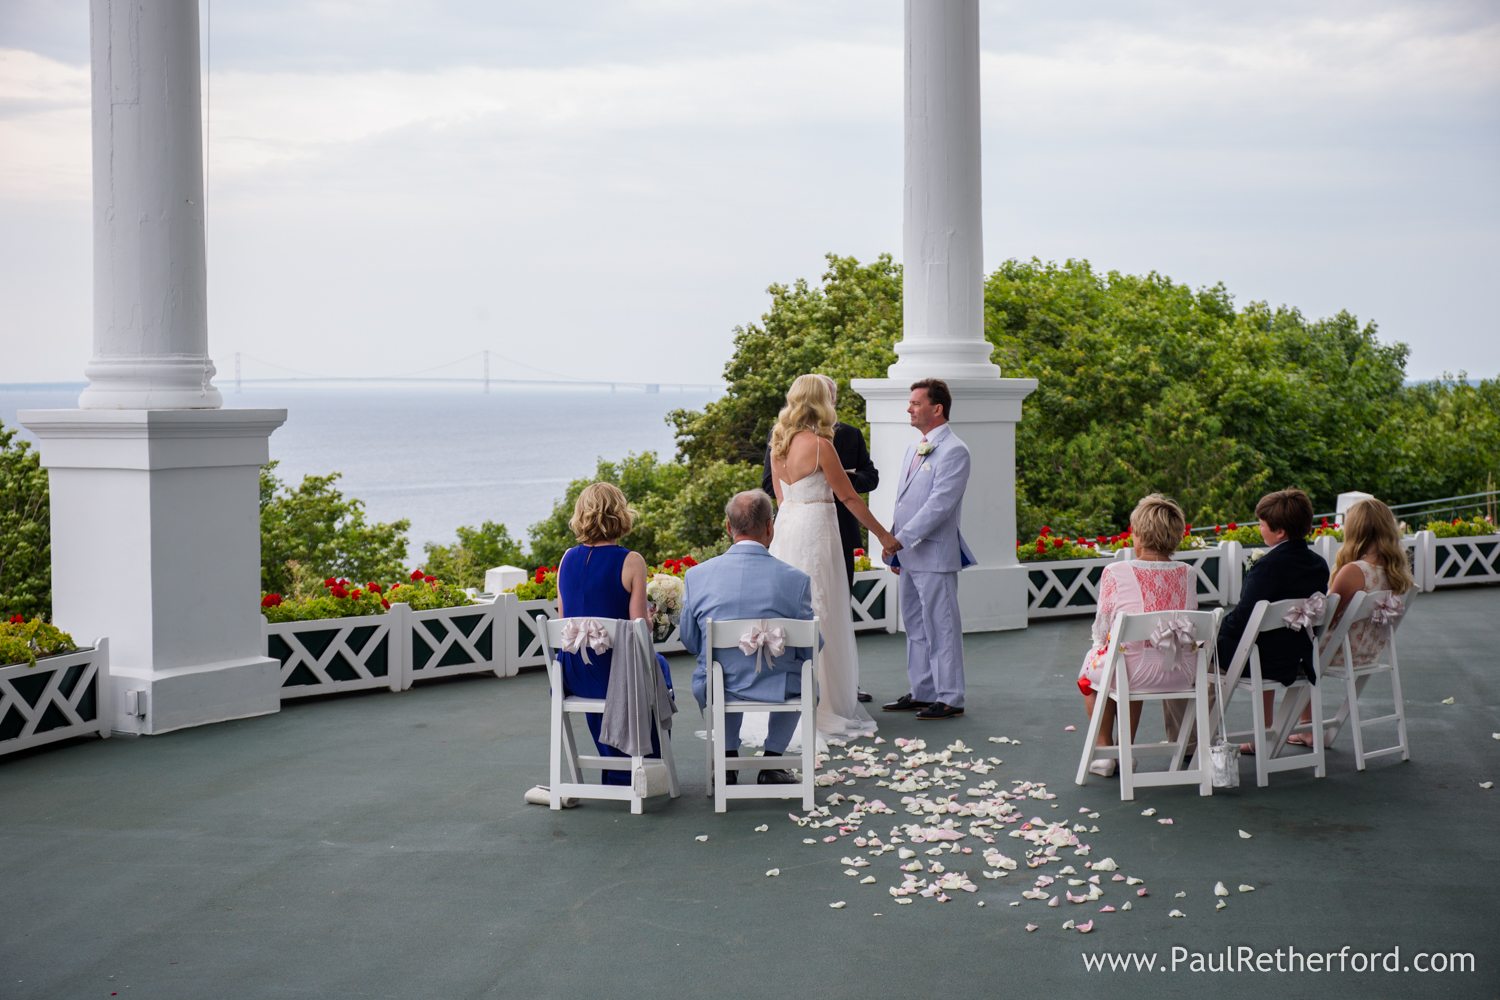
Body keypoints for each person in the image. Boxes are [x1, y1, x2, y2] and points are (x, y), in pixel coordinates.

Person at [768, 374, 899, 741]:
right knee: (825, 609)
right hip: (818, 531)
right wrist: (884, 536)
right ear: (821, 402)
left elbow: (783, 501)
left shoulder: (778, 442)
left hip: (789, 529)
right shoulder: (822, 445)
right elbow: (850, 498)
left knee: (793, 611)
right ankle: (827, 704)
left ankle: (791, 699)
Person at [678, 491, 817, 784]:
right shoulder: (796, 581)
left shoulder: (697, 576)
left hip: (719, 685)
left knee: (718, 671)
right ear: (770, 527)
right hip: (780, 684)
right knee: (805, 676)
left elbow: (691, 641)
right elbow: (811, 648)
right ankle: (772, 762)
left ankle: (727, 762)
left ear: (729, 527)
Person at [554, 482, 674, 785]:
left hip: (573, 674)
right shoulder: (631, 560)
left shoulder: (566, 559)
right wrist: (650, 618)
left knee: (607, 671)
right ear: (620, 514)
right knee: (658, 668)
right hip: (616, 674)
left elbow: (564, 620)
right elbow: (638, 631)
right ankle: (646, 764)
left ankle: (616, 766)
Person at [1077, 494, 1198, 777]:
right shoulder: (1188, 573)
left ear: (1139, 535)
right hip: (1181, 672)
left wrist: (1101, 646)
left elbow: (1103, 628)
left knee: (1098, 668)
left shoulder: (1115, 571)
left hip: (1133, 672)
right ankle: (1125, 749)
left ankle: (1105, 749)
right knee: (1125, 661)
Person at [1286, 496, 1415, 746]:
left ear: (1355, 530)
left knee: (1294, 651)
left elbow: (1326, 618)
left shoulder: (1354, 571)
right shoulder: (1395, 573)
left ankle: (1305, 729)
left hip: (1340, 651)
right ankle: (1307, 729)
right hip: (1370, 651)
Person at [882, 378, 974, 721]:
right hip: (907, 553)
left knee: (942, 625)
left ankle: (951, 696)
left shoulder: (955, 451)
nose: (909, 408)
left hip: (934, 553)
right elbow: (904, 501)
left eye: (916, 403)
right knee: (915, 625)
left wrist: (899, 539)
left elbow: (939, 505)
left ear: (937, 409)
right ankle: (923, 691)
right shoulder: (913, 448)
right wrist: (895, 544)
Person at [1214, 487, 1329, 752]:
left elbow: (1245, 616)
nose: (1259, 529)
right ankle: (1261, 736)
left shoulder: (1268, 566)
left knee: (1207, 652)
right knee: (1260, 639)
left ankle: (1196, 741)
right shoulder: (1318, 564)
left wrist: (1216, 631)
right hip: (1297, 654)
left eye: (1261, 524)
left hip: (1263, 659)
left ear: (1279, 532)